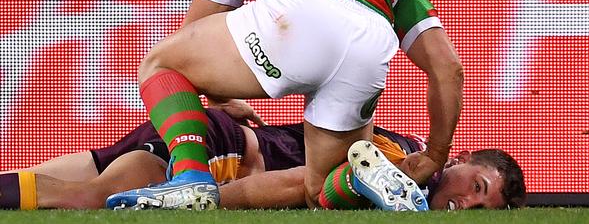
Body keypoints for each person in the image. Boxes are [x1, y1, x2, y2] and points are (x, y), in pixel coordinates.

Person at [108, 0, 464, 210]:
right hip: (371, 45)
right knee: (317, 191)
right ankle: (358, 178)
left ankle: (190, 178)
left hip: (297, 13)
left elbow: (190, 40)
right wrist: (434, 154)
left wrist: (218, 97)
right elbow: (448, 68)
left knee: (160, 64)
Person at [0, 103, 524, 210]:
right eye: (475, 188)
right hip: (223, 152)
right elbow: (304, 182)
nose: (465, 206)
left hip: (215, 130)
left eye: (481, 211)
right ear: (461, 158)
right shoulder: (403, 164)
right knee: (93, 198)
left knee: (28, 184)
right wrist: (194, 198)